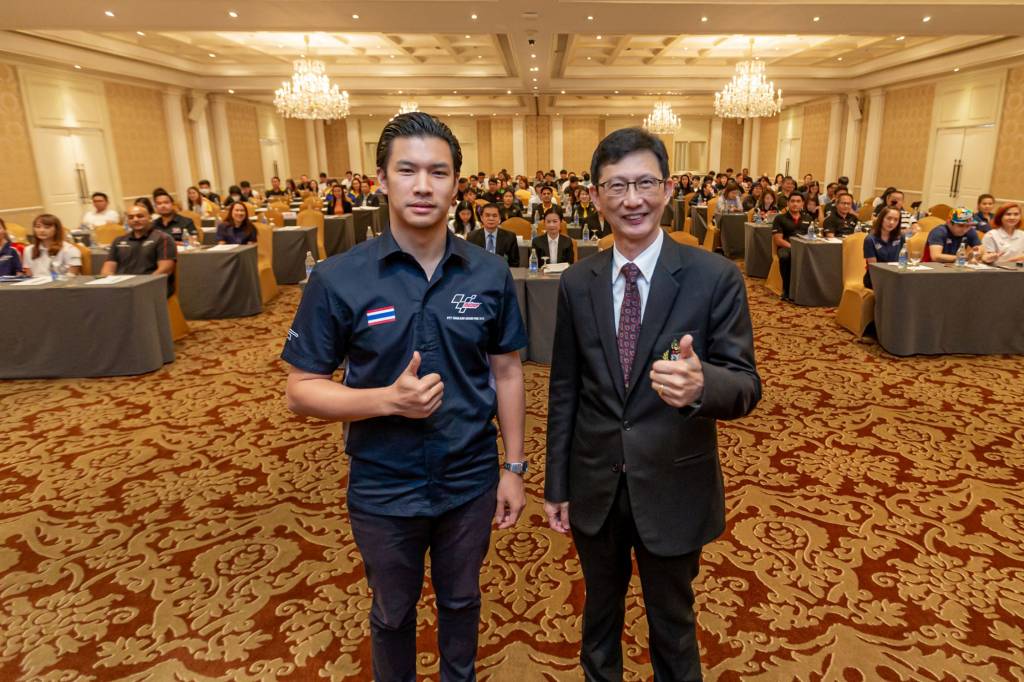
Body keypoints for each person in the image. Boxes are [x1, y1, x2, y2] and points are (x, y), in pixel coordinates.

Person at [283, 112, 527, 682]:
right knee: (392, 614)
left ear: (457, 185)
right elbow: (300, 391)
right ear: (381, 180)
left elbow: (508, 372)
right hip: (383, 482)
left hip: (469, 477)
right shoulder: (339, 278)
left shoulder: (489, 272)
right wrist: (387, 401)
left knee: (462, 602)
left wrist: (513, 468)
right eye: (407, 170)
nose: (423, 186)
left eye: (438, 172)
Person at [544, 127, 761, 682]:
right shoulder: (577, 282)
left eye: (645, 183)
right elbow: (564, 389)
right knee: (598, 621)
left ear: (667, 190)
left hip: (673, 485)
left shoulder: (714, 277)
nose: (632, 199)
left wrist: (701, 386)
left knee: (673, 625)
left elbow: (745, 385)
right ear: (595, 198)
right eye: (616, 186)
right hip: (595, 484)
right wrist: (556, 485)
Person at [101, 204, 177, 295]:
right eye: (131, 217)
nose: (135, 220)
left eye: (140, 216)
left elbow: (165, 270)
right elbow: (107, 270)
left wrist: (141, 286)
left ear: (150, 218)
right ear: (127, 221)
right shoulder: (118, 240)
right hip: (123, 288)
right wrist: (114, 285)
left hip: (151, 288)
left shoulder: (163, 238)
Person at [772, 193, 811, 300]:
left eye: (798, 201)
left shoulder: (808, 218)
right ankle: (787, 289)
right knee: (785, 257)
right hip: (786, 247)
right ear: (788, 203)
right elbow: (778, 240)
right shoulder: (779, 218)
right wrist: (794, 247)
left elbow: (812, 235)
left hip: (804, 247)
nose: (795, 204)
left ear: (802, 203)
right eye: (792, 201)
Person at [862, 206, 905, 289]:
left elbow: (903, 260)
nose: (892, 222)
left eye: (896, 220)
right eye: (889, 218)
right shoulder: (870, 239)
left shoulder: (900, 237)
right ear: (881, 219)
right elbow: (874, 268)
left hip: (896, 276)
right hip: (876, 278)